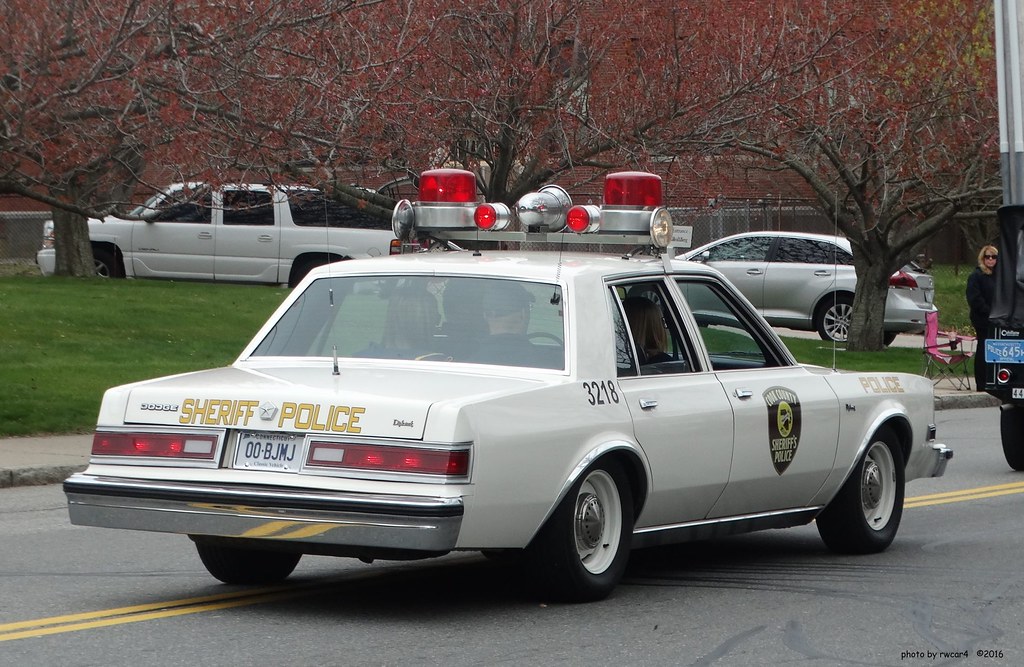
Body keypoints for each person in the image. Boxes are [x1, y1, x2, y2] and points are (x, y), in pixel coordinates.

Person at [966, 245, 998, 390]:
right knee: (983, 349)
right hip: (982, 319)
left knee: (996, 350)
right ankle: (981, 383)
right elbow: (974, 299)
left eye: (993, 257)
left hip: (998, 319)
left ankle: (994, 380)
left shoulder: (999, 276)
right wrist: (988, 311)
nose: (990, 260)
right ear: (983, 258)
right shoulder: (976, 276)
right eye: (988, 257)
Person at [623, 296, 672, 364]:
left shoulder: (617, 358)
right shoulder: (665, 364)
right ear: (656, 326)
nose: (665, 326)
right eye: (662, 321)